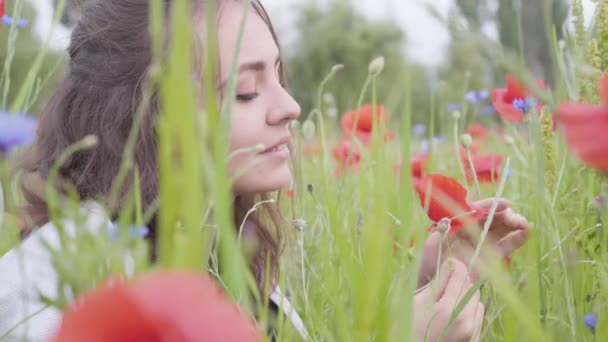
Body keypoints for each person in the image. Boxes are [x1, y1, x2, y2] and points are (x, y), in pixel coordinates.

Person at [0, 0, 530, 340]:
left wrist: (424, 282)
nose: (291, 107)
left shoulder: (226, 253)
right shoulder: (48, 290)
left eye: (279, 75)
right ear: (148, 117)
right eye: (247, 91)